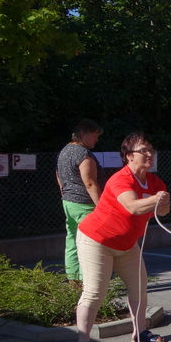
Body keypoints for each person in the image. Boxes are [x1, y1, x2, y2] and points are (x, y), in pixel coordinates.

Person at [73, 132, 170, 342]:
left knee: (139, 288)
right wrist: (155, 199)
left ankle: (140, 332)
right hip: (97, 241)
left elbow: (164, 212)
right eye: (143, 150)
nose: (149, 154)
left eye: (151, 150)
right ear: (128, 156)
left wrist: (163, 201)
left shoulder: (155, 182)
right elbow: (132, 207)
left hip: (127, 245)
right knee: (94, 293)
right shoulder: (121, 179)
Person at [55, 119, 103, 285]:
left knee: (72, 240)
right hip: (85, 204)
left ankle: (74, 279)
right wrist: (102, 207)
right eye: (94, 135)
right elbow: (90, 183)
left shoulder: (64, 151)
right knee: (89, 243)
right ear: (82, 134)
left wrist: (65, 193)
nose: (96, 139)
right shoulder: (83, 154)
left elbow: (58, 175)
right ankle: (87, 281)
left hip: (68, 202)